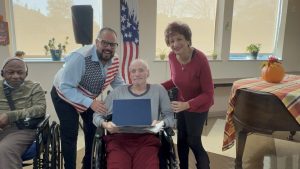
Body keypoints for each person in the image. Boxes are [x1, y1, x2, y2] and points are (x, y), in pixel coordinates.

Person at [51, 27, 125, 169]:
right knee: (70, 134)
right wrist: (89, 102)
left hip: (88, 97)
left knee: (93, 130)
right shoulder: (80, 58)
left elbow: (118, 84)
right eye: (105, 43)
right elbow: (66, 87)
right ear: (97, 42)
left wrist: (133, 94)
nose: (108, 47)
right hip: (63, 95)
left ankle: (88, 165)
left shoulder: (114, 60)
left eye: (112, 44)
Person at [93, 59, 175, 169]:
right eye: (133, 71)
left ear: (148, 73)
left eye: (141, 70)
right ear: (129, 74)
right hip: (119, 140)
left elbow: (170, 117)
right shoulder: (118, 92)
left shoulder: (158, 90)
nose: (137, 74)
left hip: (147, 140)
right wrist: (105, 125)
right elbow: (97, 116)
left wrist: (161, 123)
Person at [162, 21, 214, 169]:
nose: (175, 44)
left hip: (199, 105)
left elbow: (208, 93)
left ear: (187, 40)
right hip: (182, 104)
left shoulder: (201, 60)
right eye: (171, 41)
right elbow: (175, 80)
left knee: (193, 141)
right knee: (182, 140)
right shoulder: (172, 57)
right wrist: (157, 87)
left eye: (179, 39)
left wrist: (188, 104)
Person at [0, 57, 46, 169]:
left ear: (26, 74)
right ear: (2, 73)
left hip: (22, 130)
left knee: (5, 149)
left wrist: (10, 116)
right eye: (10, 72)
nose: (15, 76)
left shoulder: (34, 87)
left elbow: (40, 109)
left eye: (20, 72)